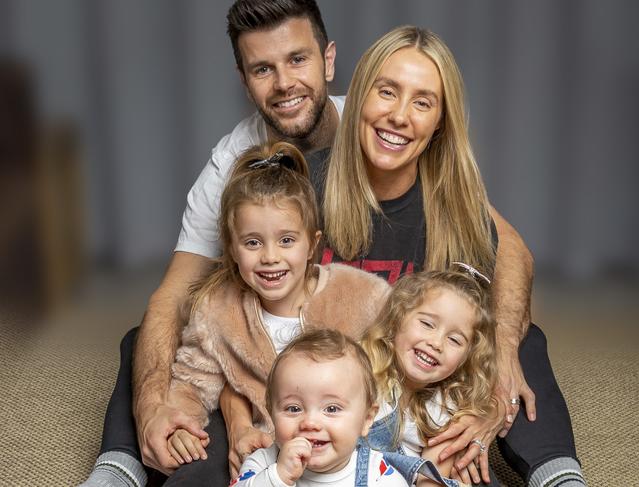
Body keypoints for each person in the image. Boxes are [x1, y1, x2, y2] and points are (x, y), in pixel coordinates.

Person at [78, 1, 572, 486]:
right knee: (156, 342)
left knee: (520, 339)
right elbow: (211, 308)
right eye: (387, 93)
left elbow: (508, 259)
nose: (399, 115)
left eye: (422, 102)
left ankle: (559, 475)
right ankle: (119, 468)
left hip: (393, 381)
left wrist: (490, 395)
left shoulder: (447, 187)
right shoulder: (297, 182)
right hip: (293, 379)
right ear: (360, 95)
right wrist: (205, 413)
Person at [162, 141, 392, 480]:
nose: (270, 256)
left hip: (353, 456)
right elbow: (191, 382)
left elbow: (406, 356)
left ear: (312, 244)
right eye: (253, 242)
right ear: (233, 249)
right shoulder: (218, 312)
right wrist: (181, 424)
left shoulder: (359, 296)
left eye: (286, 240)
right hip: (270, 455)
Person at [362, 268, 498, 485]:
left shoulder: (447, 406)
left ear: (467, 357)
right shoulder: (361, 371)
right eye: (427, 324)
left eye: (454, 340)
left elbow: (431, 480)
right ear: (398, 318)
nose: (436, 343)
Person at [229, 329, 410, 487]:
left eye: (331, 409)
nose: (310, 423)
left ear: (366, 420)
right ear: (271, 413)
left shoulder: (379, 476)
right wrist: (277, 478)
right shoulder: (262, 463)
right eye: (293, 409)